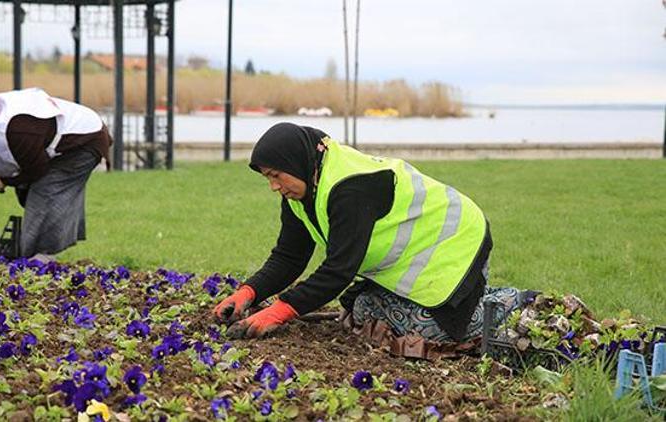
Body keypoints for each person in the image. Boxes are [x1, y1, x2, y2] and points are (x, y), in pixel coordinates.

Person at [214, 122, 528, 358]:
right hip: (419, 259)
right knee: (362, 311)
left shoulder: (349, 189)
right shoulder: (301, 189)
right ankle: (474, 302)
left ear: (296, 162)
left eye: (275, 175)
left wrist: (278, 312)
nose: (273, 186)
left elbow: (338, 270)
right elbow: (289, 256)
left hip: (458, 244)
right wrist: (248, 293)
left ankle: (509, 304)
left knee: (427, 332)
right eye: (267, 177)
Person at [0, 88, 112, 262]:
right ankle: (33, 253)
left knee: (45, 193)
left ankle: (41, 257)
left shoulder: (19, 128)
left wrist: (4, 180)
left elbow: (36, 170)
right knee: (30, 195)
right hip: (49, 148)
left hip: (83, 142)